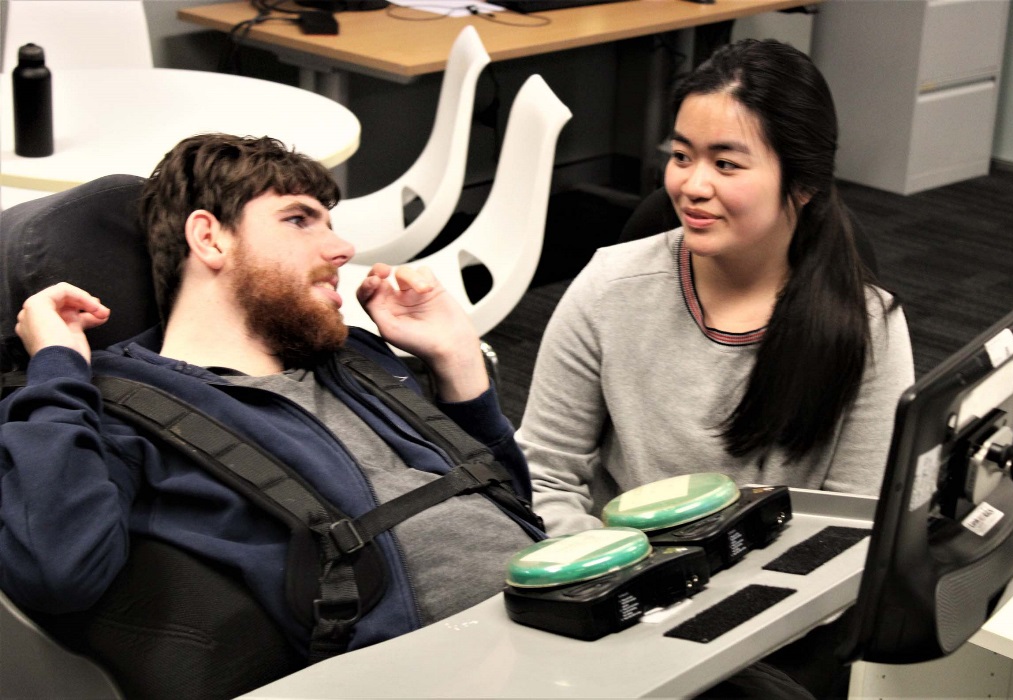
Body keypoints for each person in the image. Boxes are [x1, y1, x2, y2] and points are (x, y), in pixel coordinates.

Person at [0, 134, 544, 663]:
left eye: (330, 223)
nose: (342, 248)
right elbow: (58, 572)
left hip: (563, 604)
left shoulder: (358, 361)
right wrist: (57, 367)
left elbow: (509, 506)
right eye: (298, 219)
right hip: (452, 668)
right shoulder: (120, 407)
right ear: (210, 238)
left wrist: (457, 360)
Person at [518, 38, 916, 536]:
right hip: (623, 583)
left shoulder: (868, 323)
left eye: (726, 164)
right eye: (682, 155)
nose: (692, 186)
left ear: (803, 184)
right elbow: (544, 478)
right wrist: (615, 571)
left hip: (783, 592)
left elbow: (857, 521)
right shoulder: (610, 287)